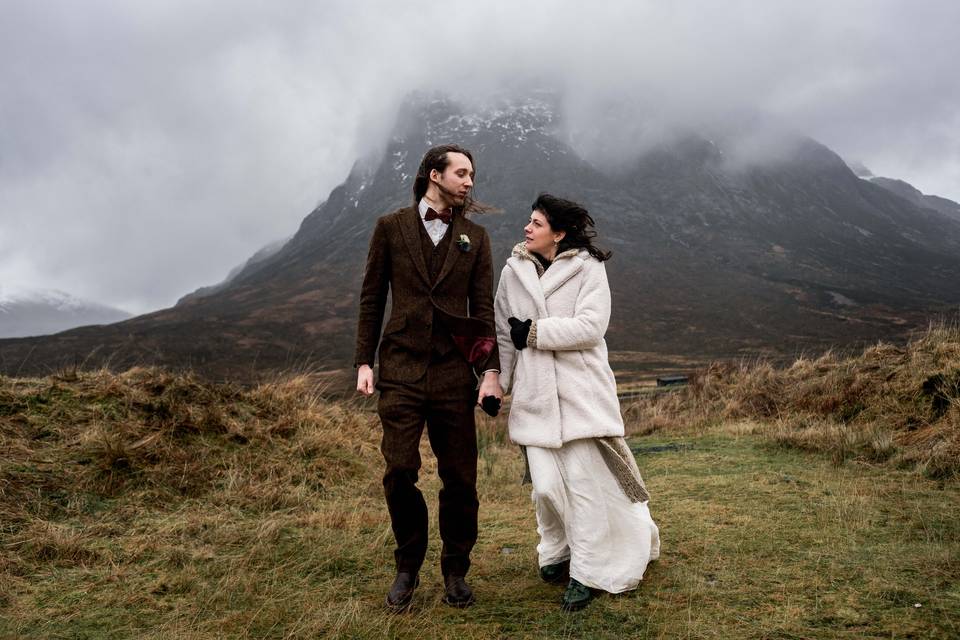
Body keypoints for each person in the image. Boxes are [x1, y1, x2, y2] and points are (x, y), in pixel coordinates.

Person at [494, 193, 660, 611]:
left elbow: (591, 326)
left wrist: (534, 333)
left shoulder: (589, 267)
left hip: (581, 396)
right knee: (547, 489)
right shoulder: (512, 271)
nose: (527, 228)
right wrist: (498, 382)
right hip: (535, 400)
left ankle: (586, 573)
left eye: (536, 223)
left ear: (559, 233)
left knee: (585, 490)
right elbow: (502, 335)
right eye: (528, 221)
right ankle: (557, 550)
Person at [355, 144, 502, 610]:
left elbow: (482, 312)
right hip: (399, 370)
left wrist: (489, 371)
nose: (469, 181)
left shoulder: (475, 239)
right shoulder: (390, 228)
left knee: (460, 478)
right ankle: (407, 567)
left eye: (472, 174)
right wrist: (364, 362)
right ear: (434, 175)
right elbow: (372, 298)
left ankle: (456, 570)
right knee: (399, 470)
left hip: (454, 375)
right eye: (461, 173)